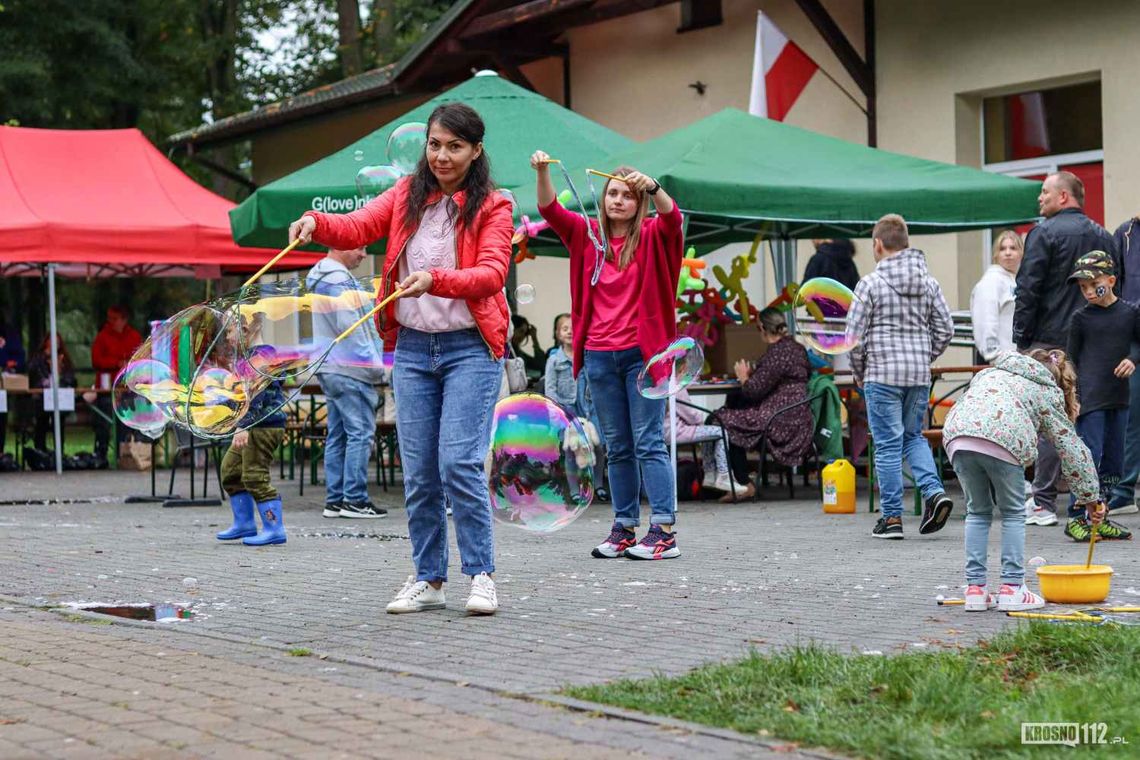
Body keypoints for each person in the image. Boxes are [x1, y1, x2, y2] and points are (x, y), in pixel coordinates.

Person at [290, 102, 512, 615]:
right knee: (419, 472)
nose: (442, 155)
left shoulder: (493, 205)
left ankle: (480, 575)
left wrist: (438, 280)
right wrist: (313, 221)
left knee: (458, 462)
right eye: (435, 144)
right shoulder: (406, 195)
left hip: (470, 348)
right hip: (413, 348)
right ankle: (429, 578)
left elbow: (492, 274)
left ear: (476, 151)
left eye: (455, 146)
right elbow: (355, 227)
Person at [532, 149, 683, 560]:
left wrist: (653, 186)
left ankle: (664, 530)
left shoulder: (653, 235)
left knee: (648, 442)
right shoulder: (587, 236)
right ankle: (624, 528)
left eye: (627, 195)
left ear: (639, 203)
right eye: (612, 193)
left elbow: (674, 219)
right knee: (616, 446)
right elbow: (548, 208)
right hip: (599, 356)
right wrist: (543, 171)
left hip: (642, 356)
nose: (618, 200)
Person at [943, 350, 1103, 611]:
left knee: (977, 512)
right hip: (1004, 441)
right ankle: (1012, 587)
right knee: (1013, 513)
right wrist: (1090, 498)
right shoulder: (1045, 390)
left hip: (958, 438)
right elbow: (1071, 448)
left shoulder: (989, 373)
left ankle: (975, 590)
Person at [1013, 172, 1117, 526]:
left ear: (1062, 197)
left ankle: (1042, 502)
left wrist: (1022, 339)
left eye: (1044, 192)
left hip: (1050, 341)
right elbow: (1112, 288)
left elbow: (1028, 288)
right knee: (1084, 417)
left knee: (1048, 418)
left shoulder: (1043, 233)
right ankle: (1087, 500)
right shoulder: (1103, 234)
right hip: (1095, 342)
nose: (1039, 199)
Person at [845, 213, 955, 539]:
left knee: (888, 446)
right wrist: (925, 355)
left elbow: (854, 337)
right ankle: (935, 494)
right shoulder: (929, 282)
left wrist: (859, 372)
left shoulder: (870, 284)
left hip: (881, 374)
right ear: (906, 243)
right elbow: (945, 329)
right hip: (917, 375)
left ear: (878, 245)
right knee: (914, 438)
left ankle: (892, 519)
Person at [306, 247, 388, 520]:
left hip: (329, 366)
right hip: (351, 370)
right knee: (360, 433)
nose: (364, 254)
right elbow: (351, 327)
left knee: (339, 434)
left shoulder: (318, 275)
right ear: (341, 245)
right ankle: (355, 499)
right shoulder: (338, 279)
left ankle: (335, 499)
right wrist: (376, 368)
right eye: (361, 247)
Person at [1062, 251, 1137, 542]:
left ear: (1112, 280)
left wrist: (1133, 359)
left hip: (1119, 397)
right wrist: (1073, 396)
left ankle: (1100, 516)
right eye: (1082, 288)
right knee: (1088, 458)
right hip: (1091, 399)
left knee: (1114, 462)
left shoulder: (1130, 313)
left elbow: (1138, 346)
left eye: (1094, 285)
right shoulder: (1080, 318)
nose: (1089, 292)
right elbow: (1070, 360)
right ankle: (1076, 516)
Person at [713, 308, 812, 501]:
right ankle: (737, 481)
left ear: (763, 329)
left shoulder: (778, 353)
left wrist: (744, 377)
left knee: (721, 418)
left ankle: (742, 483)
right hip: (797, 416)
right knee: (733, 406)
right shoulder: (795, 348)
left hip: (780, 420)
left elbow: (753, 391)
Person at [216, 316, 288, 546]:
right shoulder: (248, 357)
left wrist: (243, 425)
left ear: (244, 329)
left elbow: (256, 397)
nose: (227, 337)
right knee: (231, 470)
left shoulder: (262, 356)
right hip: (250, 426)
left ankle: (274, 527)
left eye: (229, 331)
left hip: (262, 427)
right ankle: (244, 524)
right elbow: (241, 395)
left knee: (255, 476)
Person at [1107, 215, 1140, 515]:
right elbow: (1111, 280)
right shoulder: (1125, 234)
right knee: (1131, 417)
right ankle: (1124, 489)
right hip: (1133, 336)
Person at [91, 305, 143, 462]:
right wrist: (116, 363)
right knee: (104, 414)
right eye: (110, 318)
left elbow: (140, 358)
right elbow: (96, 360)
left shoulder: (134, 336)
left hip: (128, 388)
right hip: (107, 389)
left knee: (130, 413)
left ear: (123, 320)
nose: (111, 322)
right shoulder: (102, 337)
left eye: (114, 319)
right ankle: (102, 451)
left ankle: (126, 450)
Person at [672, 387, 741, 495]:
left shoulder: (659, 383)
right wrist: (700, 420)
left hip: (664, 430)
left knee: (706, 431)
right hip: (676, 431)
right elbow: (690, 414)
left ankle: (710, 475)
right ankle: (723, 474)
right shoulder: (676, 386)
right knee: (720, 432)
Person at [970, 230, 1023, 362]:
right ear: (995, 254)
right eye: (1002, 248)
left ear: (1022, 253)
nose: (1008, 253)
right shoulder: (991, 281)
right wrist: (994, 356)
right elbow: (987, 321)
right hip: (997, 361)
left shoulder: (1017, 280)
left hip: (1015, 359)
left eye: (1013, 248)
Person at [28, 333, 76, 452]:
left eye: (57, 341)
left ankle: (59, 450)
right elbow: (32, 372)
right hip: (42, 397)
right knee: (42, 418)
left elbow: (71, 378)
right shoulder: (39, 358)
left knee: (59, 420)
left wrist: (60, 372)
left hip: (60, 396)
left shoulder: (64, 358)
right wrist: (45, 357)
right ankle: (40, 449)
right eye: (51, 341)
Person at [0, 313, 25, 456]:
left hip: (4, 383)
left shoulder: (9, 334)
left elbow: (19, 357)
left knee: (1, 416)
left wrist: (11, 363)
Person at [511, 314, 546, 381]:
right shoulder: (504, 351)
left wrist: (534, 339)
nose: (522, 336)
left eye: (525, 333)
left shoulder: (519, 353)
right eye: (520, 331)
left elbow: (541, 365)